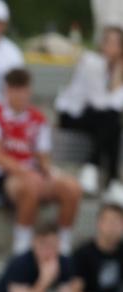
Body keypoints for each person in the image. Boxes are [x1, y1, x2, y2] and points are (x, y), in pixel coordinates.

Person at [0, 68, 82, 255]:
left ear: (29, 90)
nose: (19, 95)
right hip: (1, 178)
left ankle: (63, 245)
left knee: (72, 187)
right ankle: (22, 246)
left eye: (23, 89)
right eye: (14, 89)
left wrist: (50, 172)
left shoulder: (38, 118)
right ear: (6, 91)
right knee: (31, 185)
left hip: (31, 176)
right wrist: (25, 172)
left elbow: (43, 157)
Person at [56, 26, 123, 203]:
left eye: (116, 43)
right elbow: (99, 102)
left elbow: (115, 103)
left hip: (99, 120)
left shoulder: (118, 69)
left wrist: (117, 71)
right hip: (73, 114)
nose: (110, 46)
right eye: (107, 41)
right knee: (111, 121)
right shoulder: (91, 62)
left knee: (112, 122)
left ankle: (93, 169)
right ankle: (112, 180)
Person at [72, 202, 123, 292]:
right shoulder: (83, 254)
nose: (114, 227)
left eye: (119, 222)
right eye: (110, 221)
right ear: (99, 223)